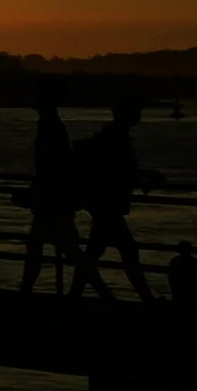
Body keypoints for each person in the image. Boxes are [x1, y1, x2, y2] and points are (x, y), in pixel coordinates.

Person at [69, 94, 163, 305]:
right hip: (108, 202)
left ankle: (74, 296)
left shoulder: (112, 135)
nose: (139, 114)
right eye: (136, 110)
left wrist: (143, 175)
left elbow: (119, 169)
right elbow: (118, 171)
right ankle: (148, 300)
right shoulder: (117, 137)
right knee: (126, 251)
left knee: (96, 253)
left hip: (104, 202)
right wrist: (143, 177)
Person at [17, 80, 82, 296]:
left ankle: (25, 292)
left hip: (52, 196)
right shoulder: (53, 124)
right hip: (55, 194)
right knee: (43, 248)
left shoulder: (48, 125)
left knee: (46, 249)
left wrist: (36, 188)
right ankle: (25, 291)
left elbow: (48, 164)